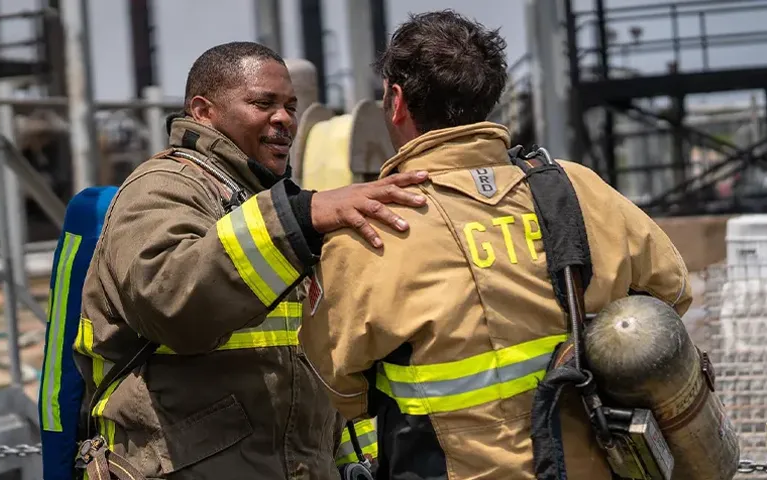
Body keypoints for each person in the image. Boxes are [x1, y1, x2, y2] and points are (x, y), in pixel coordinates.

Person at [297, 10, 693, 480]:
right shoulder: (578, 189)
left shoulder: (371, 231)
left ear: (396, 101)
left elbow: (339, 385)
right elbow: (671, 294)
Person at [72, 41, 427, 480]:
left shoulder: (266, 200)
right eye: (263, 103)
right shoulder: (163, 187)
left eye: (291, 106)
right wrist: (298, 220)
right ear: (203, 111)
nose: (285, 119)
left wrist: (358, 461)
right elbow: (171, 301)